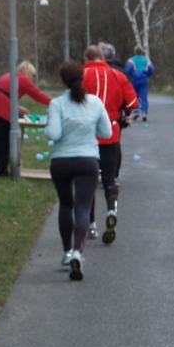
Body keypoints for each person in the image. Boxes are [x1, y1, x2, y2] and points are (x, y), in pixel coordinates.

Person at [45, 60, 112, 281]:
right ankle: (77, 252)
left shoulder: (57, 104)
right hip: (87, 160)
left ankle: (65, 252)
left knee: (66, 204)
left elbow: (54, 134)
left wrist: (50, 127)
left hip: (61, 162)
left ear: (62, 81)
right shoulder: (95, 102)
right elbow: (107, 132)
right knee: (83, 207)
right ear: (81, 79)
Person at [82, 45, 138, 244]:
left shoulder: (82, 74)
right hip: (111, 133)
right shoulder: (118, 76)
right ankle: (112, 210)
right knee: (109, 178)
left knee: (88, 180)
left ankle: (91, 226)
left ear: (87, 59)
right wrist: (124, 112)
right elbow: (132, 103)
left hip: (87, 136)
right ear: (103, 58)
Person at [0, 61, 51, 177]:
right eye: (32, 76)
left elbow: (1, 93)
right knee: (1, 142)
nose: (32, 79)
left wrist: (16, 107)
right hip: (0, 109)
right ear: (27, 72)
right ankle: (0, 172)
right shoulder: (23, 79)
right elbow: (38, 95)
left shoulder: (8, 75)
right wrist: (56, 103)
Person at [125, 45, 155, 122]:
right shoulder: (146, 60)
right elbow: (151, 69)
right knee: (144, 96)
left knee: (135, 96)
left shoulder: (131, 60)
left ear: (135, 52)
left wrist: (132, 74)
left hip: (135, 80)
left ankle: (136, 112)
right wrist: (146, 75)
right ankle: (144, 113)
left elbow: (127, 69)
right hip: (144, 80)